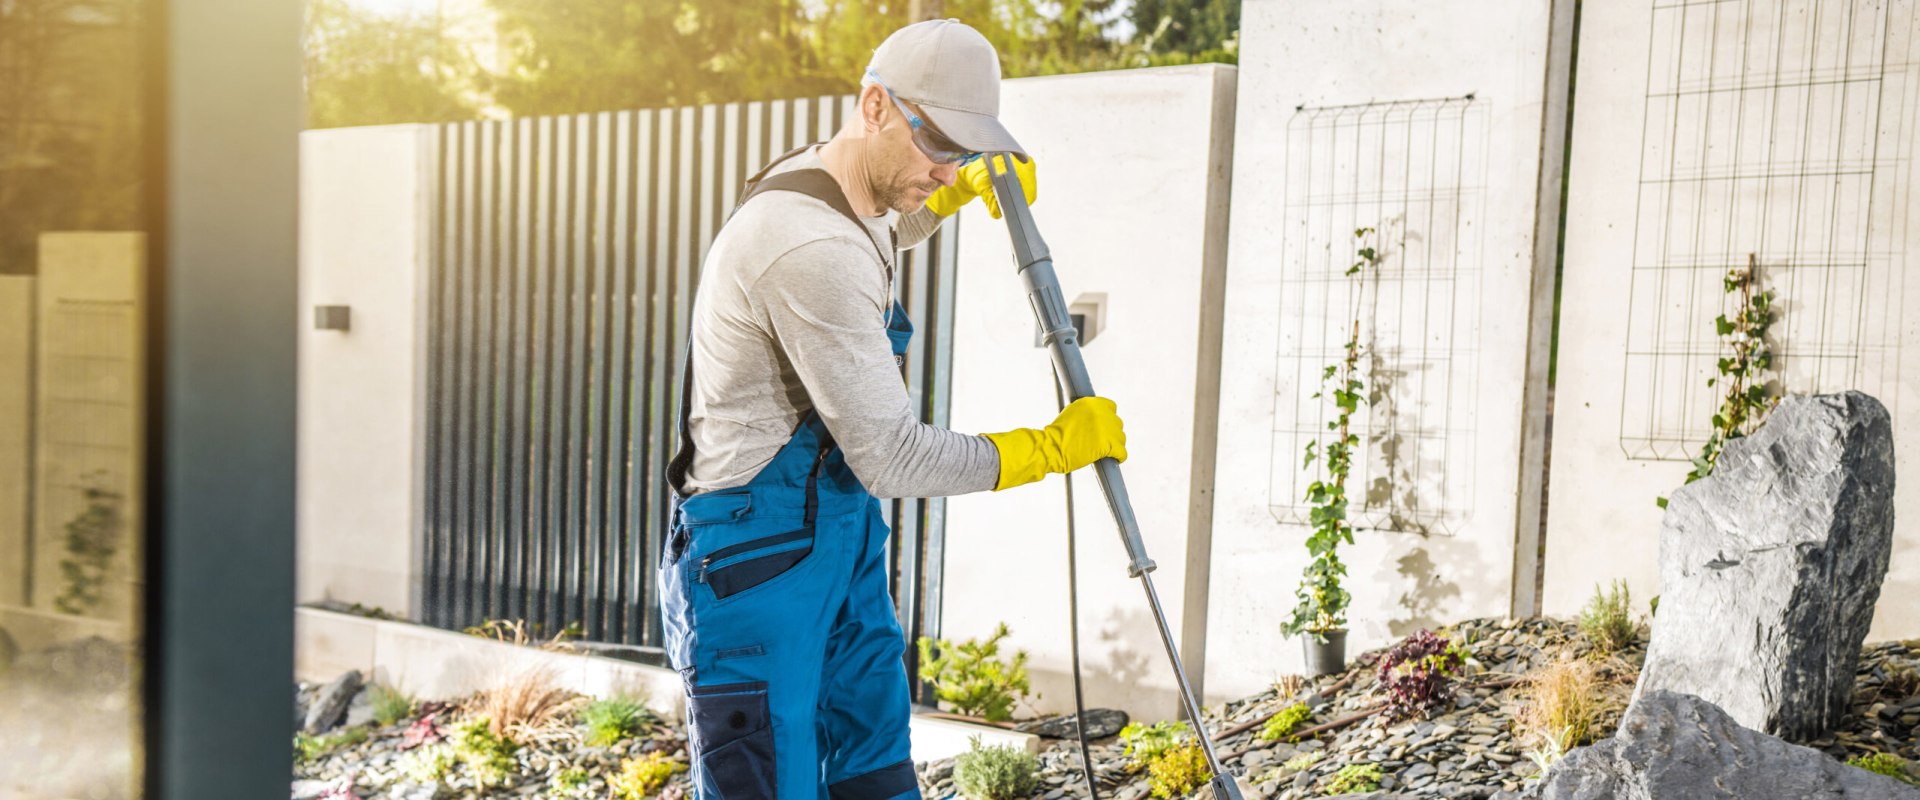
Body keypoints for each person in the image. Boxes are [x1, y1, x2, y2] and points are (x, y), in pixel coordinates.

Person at [658, 19, 1128, 799]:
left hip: (836, 542)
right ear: (876, 104)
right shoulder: (806, 247)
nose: (947, 170)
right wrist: (1047, 449)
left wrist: (952, 197)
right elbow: (893, 457)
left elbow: (881, 224)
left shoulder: (836, 187)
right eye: (939, 148)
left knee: (874, 769)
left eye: (964, 154)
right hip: (755, 565)